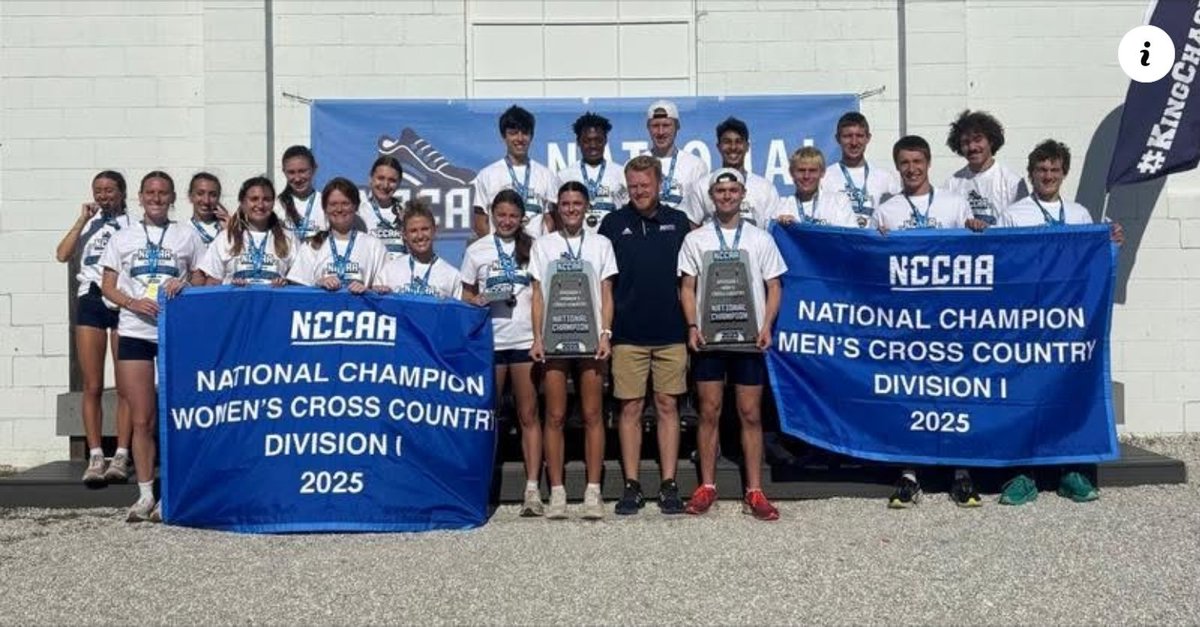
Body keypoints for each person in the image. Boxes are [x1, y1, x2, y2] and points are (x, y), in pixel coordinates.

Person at [995, 139, 1124, 506]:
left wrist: (1111, 241)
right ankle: (1022, 474)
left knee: (1070, 393)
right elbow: (1004, 266)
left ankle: (1072, 472)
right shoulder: (1014, 215)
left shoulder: (1081, 215)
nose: (1048, 176)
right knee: (1025, 396)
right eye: (1041, 170)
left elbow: (1096, 260)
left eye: (1054, 170)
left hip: (1070, 324)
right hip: (1026, 323)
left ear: (1064, 173)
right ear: (1031, 174)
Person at [875, 136, 987, 510]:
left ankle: (961, 473)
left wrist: (975, 231)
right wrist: (877, 244)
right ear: (897, 166)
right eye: (904, 162)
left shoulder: (955, 205)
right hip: (907, 323)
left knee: (955, 394)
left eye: (918, 161)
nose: (912, 169)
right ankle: (910, 475)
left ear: (928, 162)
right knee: (910, 395)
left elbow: (977, 255)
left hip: (951, 321)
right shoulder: (887, 210)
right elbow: (873, 266)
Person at [678, 168, 787, 521]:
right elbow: (688, 287)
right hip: (710, 338)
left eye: (732, 190)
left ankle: (754, 490)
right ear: (711, 196)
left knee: (750, 414)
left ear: (742, 194)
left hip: (748, 338)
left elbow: (774, 287)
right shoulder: (696, 240)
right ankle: (707, 486)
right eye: (720, 191)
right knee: (708, 412)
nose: (726, 196)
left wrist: (767, 326)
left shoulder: (760, 239)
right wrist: (692, 325)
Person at [99, 171, 205, 522]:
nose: (156, 198)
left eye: (163, 193)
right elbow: (108, 286)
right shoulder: (123, 237)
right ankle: (145, 494)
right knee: (142, 418)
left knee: (174, 418)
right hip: (134, 332)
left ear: (173, 197)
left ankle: (171, 495)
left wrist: (184, 284)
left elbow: (203, 278)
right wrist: (131, 303)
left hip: (175, 334)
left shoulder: (186, 236)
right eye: (150, 193)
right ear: (140, 197)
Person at [597, 155, 692, 516]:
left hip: (670, 331)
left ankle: (669, 483)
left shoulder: (679, 221)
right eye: (633, 186)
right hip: (627, 334)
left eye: (645, 185)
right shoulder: (612, 223)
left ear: (659, 184)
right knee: (630, 408)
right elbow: (604, 282)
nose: (639, 191)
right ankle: (632, 485)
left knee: (668, 407)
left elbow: (689, 280)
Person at [529, 181, 618, 520]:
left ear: (586, 207)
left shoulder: (601, 244)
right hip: (554, 338)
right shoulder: (543, 245)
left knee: (594, 414)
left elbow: (606, 292)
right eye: (565, 203)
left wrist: (606, 333)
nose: (570, 209)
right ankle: (558, 491)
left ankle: (593, 490)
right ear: (557, 207)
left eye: (577, 203)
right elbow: (537, 295)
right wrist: (537, 337)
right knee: (554, 415)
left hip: (591, 338)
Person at [460, 190, 544, 516]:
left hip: (524, 341)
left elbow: (540, 293)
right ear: (492, 216)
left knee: (528, 416)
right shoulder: (477, 250)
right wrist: (477, 300)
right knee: (488, 417)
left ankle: (532, 490)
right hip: (490, 344)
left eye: (513, 215)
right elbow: (464, 295)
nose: (507, 221)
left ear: (521, 217)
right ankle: (480, 486)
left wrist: (539, 337)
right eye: (501, 215)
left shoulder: (533, 247)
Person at [55, 171, 134, 485]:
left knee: (126, 386)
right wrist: (81, 221)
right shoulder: (88, 224)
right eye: (98, 190)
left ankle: (123, 453)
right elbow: (62, 254)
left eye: (110, 190)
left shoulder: (133, 225)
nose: (104, 196)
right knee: (92, 384)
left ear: (122, 192)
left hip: (122, 300)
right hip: (91, 299)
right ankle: (96, 453)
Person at [286, 178, 387, 292]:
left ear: (356, 206)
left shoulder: (374, 246)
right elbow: (297, 290)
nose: (339, 209)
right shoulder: (312, 245)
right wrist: (319, 284)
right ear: (325, 208)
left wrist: (367, 291)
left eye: (345, 203)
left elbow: (383, 291)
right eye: (333, 204)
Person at [471, 105, 558, 238]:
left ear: (531, 136)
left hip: (534, 253)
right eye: (513, 133)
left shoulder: (546, 175)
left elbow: (550, 218)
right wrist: (494, 248)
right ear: (503, 136)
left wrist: (541, 246)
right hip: (501, 253)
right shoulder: (487, 175)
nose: (520, 139)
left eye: (525, 133)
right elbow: (480, 221)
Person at [196, 176, 295, 286]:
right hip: (235, 302)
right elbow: (211, 282)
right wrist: (231, 286)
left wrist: (285, 284)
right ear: (242, 203)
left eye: (267, 199)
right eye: (254, 199)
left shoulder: (289, 238)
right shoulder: (226, 238)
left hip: (275, 302)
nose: (260, 205)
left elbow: (299, 282)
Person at [680, 116, 779, 227]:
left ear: (747, 146)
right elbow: (690, 225)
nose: (733, 147)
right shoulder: (702, 186)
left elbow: (774, 230)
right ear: (718, 146)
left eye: (739, 142)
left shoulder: (765, 188)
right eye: (727, 142)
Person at [944, 109, 1029, 225]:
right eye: (966, 142)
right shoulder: (952, 184)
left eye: (978, 140)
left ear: (991, 141)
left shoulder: (1013, 182)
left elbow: (1022, 224)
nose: (972, 147)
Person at [820, 111, 902, 228]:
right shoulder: (825, 177)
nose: (854, 142)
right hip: (840, 244)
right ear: (837, 139)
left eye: (859, 136)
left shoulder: (885, 178)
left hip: (873, 244)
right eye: (847, 136)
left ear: (868, 138)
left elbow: (898, 213)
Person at [554, 112, 628, 232]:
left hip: (612, 241)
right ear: (578, 142)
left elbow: (626, 211)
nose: (593, 145)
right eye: (587, 141)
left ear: (605, 141)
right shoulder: (565, 176)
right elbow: (557, 216)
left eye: (598, 140)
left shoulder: (620, 173)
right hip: (577, 242)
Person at [376, 198, 462, 298]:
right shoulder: (389, 271)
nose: (420, 236)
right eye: (413, 231)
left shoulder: (452, 275)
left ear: (434, 230)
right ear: (404, 234)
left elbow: (458, 311)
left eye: (425, 229)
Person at [772, 147, 859, 227]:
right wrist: (783, 227)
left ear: (822, 172)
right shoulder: (781, 208)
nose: (806, 176)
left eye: (812, 170)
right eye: (801, 170)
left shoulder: (839, 202)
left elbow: (851, 238)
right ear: (791, 173)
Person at [645, 99, 709, 208]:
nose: (661, 132)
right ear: (648, 128)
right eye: (655, 126)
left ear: (677, 126)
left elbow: (701, 209)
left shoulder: (696, 165)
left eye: (666, 125)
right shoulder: (636, 163)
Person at [356, 156, 408, 261]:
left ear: (399, 183)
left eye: (392, 180)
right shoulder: (359, 213)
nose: (385, 185)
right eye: (381, 178)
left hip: (401, 276)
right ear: (370, 178)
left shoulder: (407, 212)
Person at [276, 145, 326, 242]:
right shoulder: (276, 206)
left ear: (314, 169)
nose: (297, 178)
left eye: (302, 171)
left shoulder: (325, 203)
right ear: (284, 172)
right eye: (291, 172)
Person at [186, 172, 225, 248]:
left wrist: (231, 232)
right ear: (190, 196)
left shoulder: (229, 229)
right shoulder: (183, 231)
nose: (206, 201)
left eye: (213, 195)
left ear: (218, 197)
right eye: (200, 194)